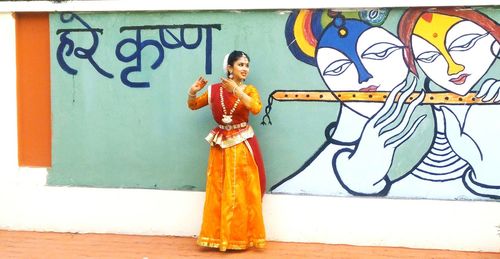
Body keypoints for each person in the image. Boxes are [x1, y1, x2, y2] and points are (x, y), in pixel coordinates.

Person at [187, 50, 266, 251]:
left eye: (247, 65)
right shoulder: (214, 91)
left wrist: (237, 91)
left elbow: (256, 108)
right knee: (220, 190)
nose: (245, 69)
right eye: (240, 65)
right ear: (229, 68)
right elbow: (194, 105)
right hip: (221, 146)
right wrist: (193, 91)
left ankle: (239, 238)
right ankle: (217, 237)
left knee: (240, 191)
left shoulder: (249, 90)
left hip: (242, 145)